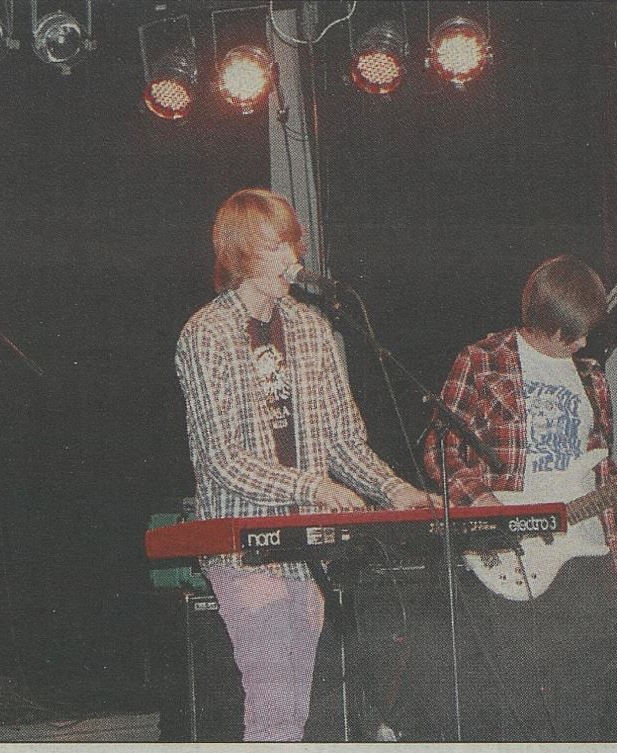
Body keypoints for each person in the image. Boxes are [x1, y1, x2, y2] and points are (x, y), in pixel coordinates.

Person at [175, 188, 441, 742]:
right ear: (240, 254)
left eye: (292, 245)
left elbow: (344, 441)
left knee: (292, 709)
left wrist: (394, 489)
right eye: (275, 247)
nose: (292, 259)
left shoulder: (311, 329)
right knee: (273, 701)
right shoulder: (206, 334)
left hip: (310, 545)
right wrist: (310, 485)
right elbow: (221, 456)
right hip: (245, 545)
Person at [420, 254, 617, 741]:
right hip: (513, 557)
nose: (582, 343)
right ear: (543, 320)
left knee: (581, 710)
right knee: (519, 710)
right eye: (572, 333)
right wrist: (482, 501)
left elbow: (601, 473)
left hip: (585, 558)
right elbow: (441, 451)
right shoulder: (482, 360)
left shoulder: (592, 377)